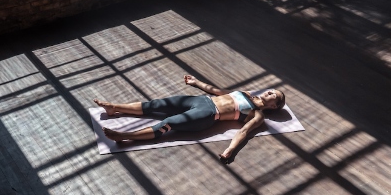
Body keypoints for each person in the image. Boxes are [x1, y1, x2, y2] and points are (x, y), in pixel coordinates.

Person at [94, 75, 285, 162]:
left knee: (167, 124)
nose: (268, 92)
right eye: (270, 90)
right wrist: (196, 83)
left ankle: (124, 137)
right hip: (201, 100)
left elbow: (243, 132)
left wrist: (230, 150)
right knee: (157, 104)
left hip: (207, 115)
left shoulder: (258, 115)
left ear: (273, 106)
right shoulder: (246, 93)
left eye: (273, 95)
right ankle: (114, 108)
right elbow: (218, 91)